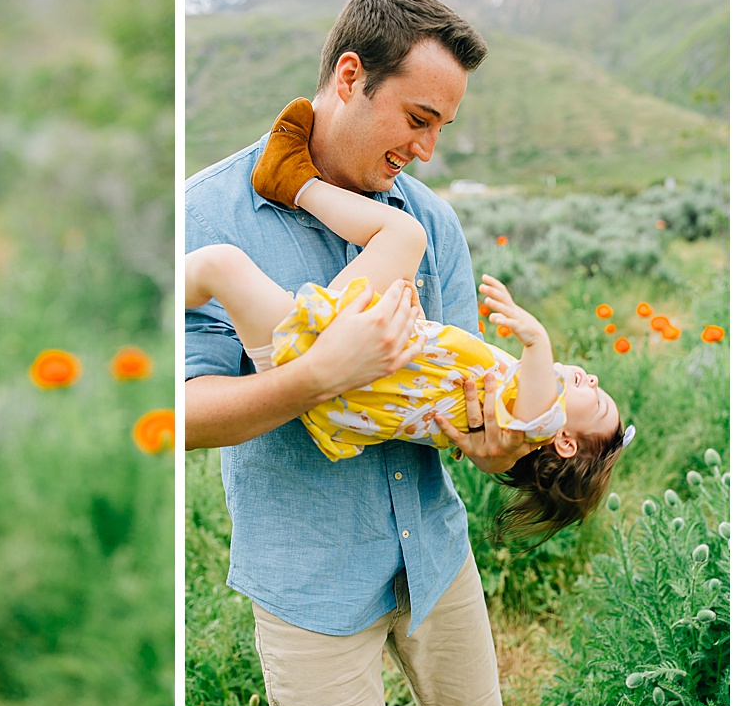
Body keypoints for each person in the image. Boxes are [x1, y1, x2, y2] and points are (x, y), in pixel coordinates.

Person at [185, 0, 521, 706]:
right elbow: (181, 414)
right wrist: (316, 377)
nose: (428, 148)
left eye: (442, 125)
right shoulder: (207, 215)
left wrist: (493, 442)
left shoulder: (429, 220)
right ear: (348, 76)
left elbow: (446, 379)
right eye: (417, 119)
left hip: (435, 550)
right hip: (310, 574)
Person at [189, 97, 631, 544]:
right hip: (323, 377)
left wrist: (536, 341)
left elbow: (536, 410)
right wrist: (421, 330)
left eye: (596, 403)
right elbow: (428, 375)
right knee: (219, 267)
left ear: (565, 442)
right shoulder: (500, 396)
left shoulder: (528, 417)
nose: (592, 380)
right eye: (419, 119)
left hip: (325, 359)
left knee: (404, 233)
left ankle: (293, 181)